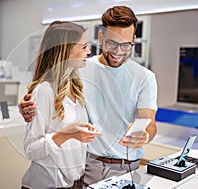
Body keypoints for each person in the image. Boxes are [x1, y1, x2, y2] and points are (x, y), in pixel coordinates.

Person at [19, 6, 158, 186]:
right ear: (101, 37)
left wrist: (145, 135)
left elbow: (149, 122)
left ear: (134, 40)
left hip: (126, 168)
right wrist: (28, 106)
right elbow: (49, 89)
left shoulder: (144, 77)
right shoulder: (79, 68)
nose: (118, 51)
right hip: (87, 166)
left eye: (126, 45)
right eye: (111, 43)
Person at [21, 21, 101, 189]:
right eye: (84, 47)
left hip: (75, 183)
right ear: (65, 50)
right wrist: (65, 135)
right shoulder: (44, 91)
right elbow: (30, 149)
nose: (89, 51)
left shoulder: (76, 87)